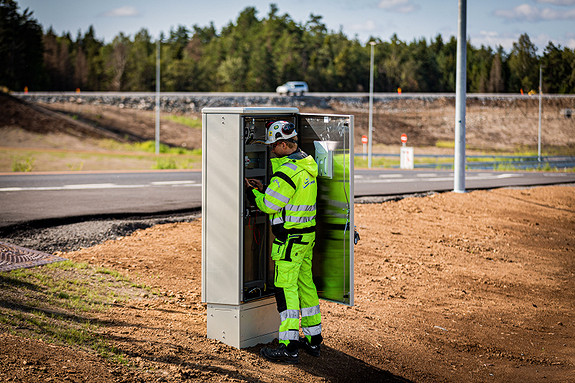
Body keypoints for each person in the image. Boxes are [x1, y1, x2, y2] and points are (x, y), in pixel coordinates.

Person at [245, 120, 322, 364]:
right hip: (306, 237)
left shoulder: (286, 172)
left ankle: (288, 346)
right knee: (305, 285)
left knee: (285, 290)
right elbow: (290, 197)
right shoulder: (306, 165)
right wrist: (268, 187)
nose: (270, 149)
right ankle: (313, 339)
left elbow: (269, 205)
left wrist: (253, 193)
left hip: (289, 240)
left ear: (282, 144)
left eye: (272, 145)